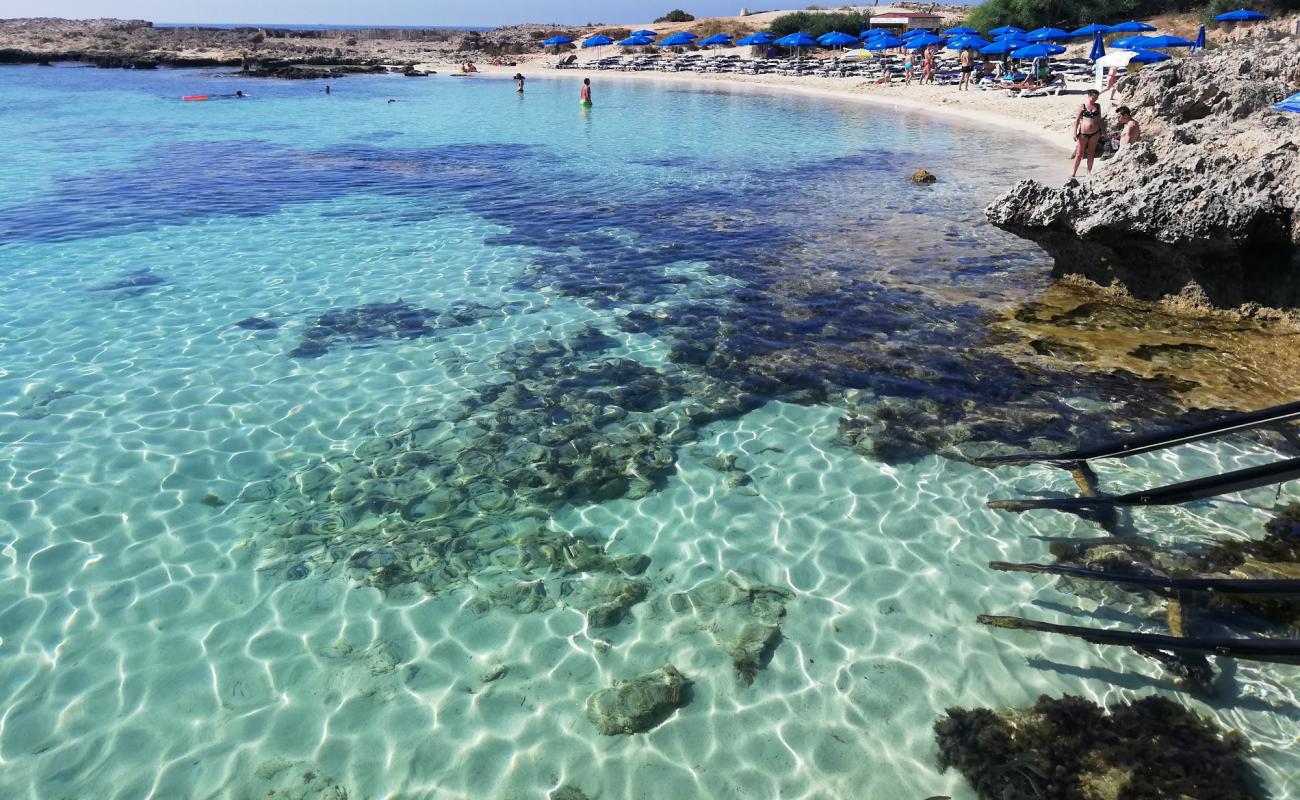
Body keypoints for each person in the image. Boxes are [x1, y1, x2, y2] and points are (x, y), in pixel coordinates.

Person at [1072, 89, 1106, 178]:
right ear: (1089, 96)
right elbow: (1077, 120)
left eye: (1096, 98)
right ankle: (1073, 173)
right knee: (1079, 153)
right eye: (1093, 97)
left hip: (1095, 133)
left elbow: (1099, 120)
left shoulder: (1098, 106)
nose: (1095, 99)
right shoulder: (1082, 106)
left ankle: (1089, 172)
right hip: (1083, 133)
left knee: (1091, 152)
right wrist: (1074, 132)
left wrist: (1103, 132)